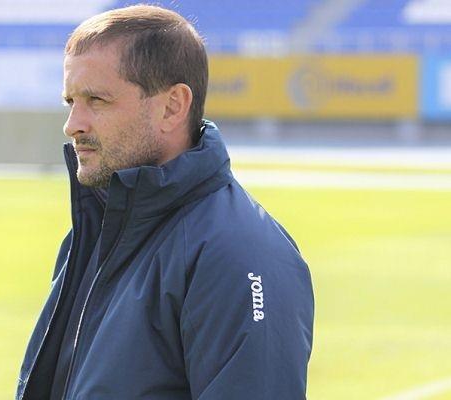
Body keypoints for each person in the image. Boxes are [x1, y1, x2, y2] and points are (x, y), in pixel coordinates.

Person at [16, 5, 314, 400]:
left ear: (172, 107)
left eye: (97, 100)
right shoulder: (94, 231)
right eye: (71, 101)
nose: (73, 124)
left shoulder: (239, 254)